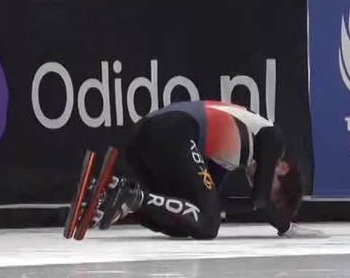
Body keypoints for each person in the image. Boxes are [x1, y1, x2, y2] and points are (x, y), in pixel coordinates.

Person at [65, 100, 306, 240]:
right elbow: (261, 200)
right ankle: (133, 197)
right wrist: (286, 227)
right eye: (275, 191)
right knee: (210, 226)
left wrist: (251, 205)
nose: (256, 184)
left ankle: (112, 196)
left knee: (185, 223)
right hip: (175, 130)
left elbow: (211, 201)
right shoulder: (273, 137)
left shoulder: (231, 159)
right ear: (282, 167)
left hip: (148, 136)